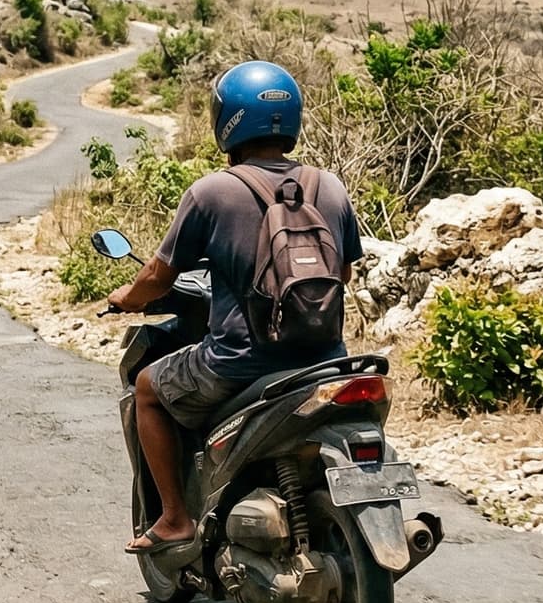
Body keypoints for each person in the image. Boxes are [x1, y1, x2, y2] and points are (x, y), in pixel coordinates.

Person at [105, 60, 363, 554]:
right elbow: (344, 273)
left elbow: (159, 277)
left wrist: (124, 299)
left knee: (147, 390)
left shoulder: (212, 192)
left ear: (227, 121)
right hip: (327, 362)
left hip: (238, 363)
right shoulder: (330, 187)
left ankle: (177, 519)